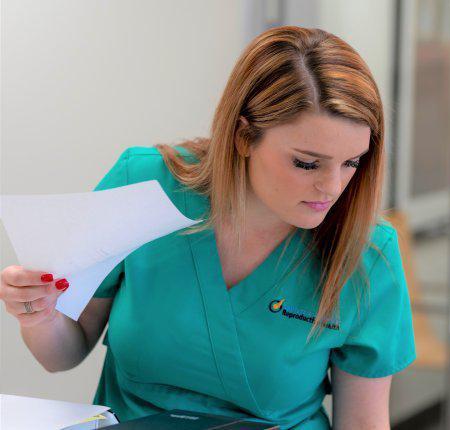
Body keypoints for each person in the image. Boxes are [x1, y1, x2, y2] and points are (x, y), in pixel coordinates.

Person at [0, 26, 416, 429]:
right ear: (243, 136)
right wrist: (38, 314)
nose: (333, 187)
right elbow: (61, 356)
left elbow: (363, 422)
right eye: (307, 163)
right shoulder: (144, 186)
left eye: (352, 162)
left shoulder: (367, 255)